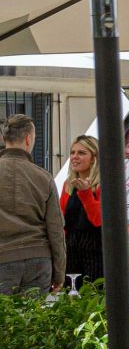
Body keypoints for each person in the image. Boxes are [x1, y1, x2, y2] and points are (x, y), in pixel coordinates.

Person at [0, 113, 64, 295]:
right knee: (33, 320)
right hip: (38, 260)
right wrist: (59, 273)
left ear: (4, 138)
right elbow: (56, 229)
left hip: (3, 258)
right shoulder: (44, 177)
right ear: (28, 139)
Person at [59, 135, 103, 285]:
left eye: (81, 153)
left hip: (97, 254)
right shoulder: (68, 185)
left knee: (94, 299)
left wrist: (86, 194)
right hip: (72, 254)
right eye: (72, 152)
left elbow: (98, 220)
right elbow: (61, 222)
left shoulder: (104, 184)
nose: (74, 157)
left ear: (94, 158)